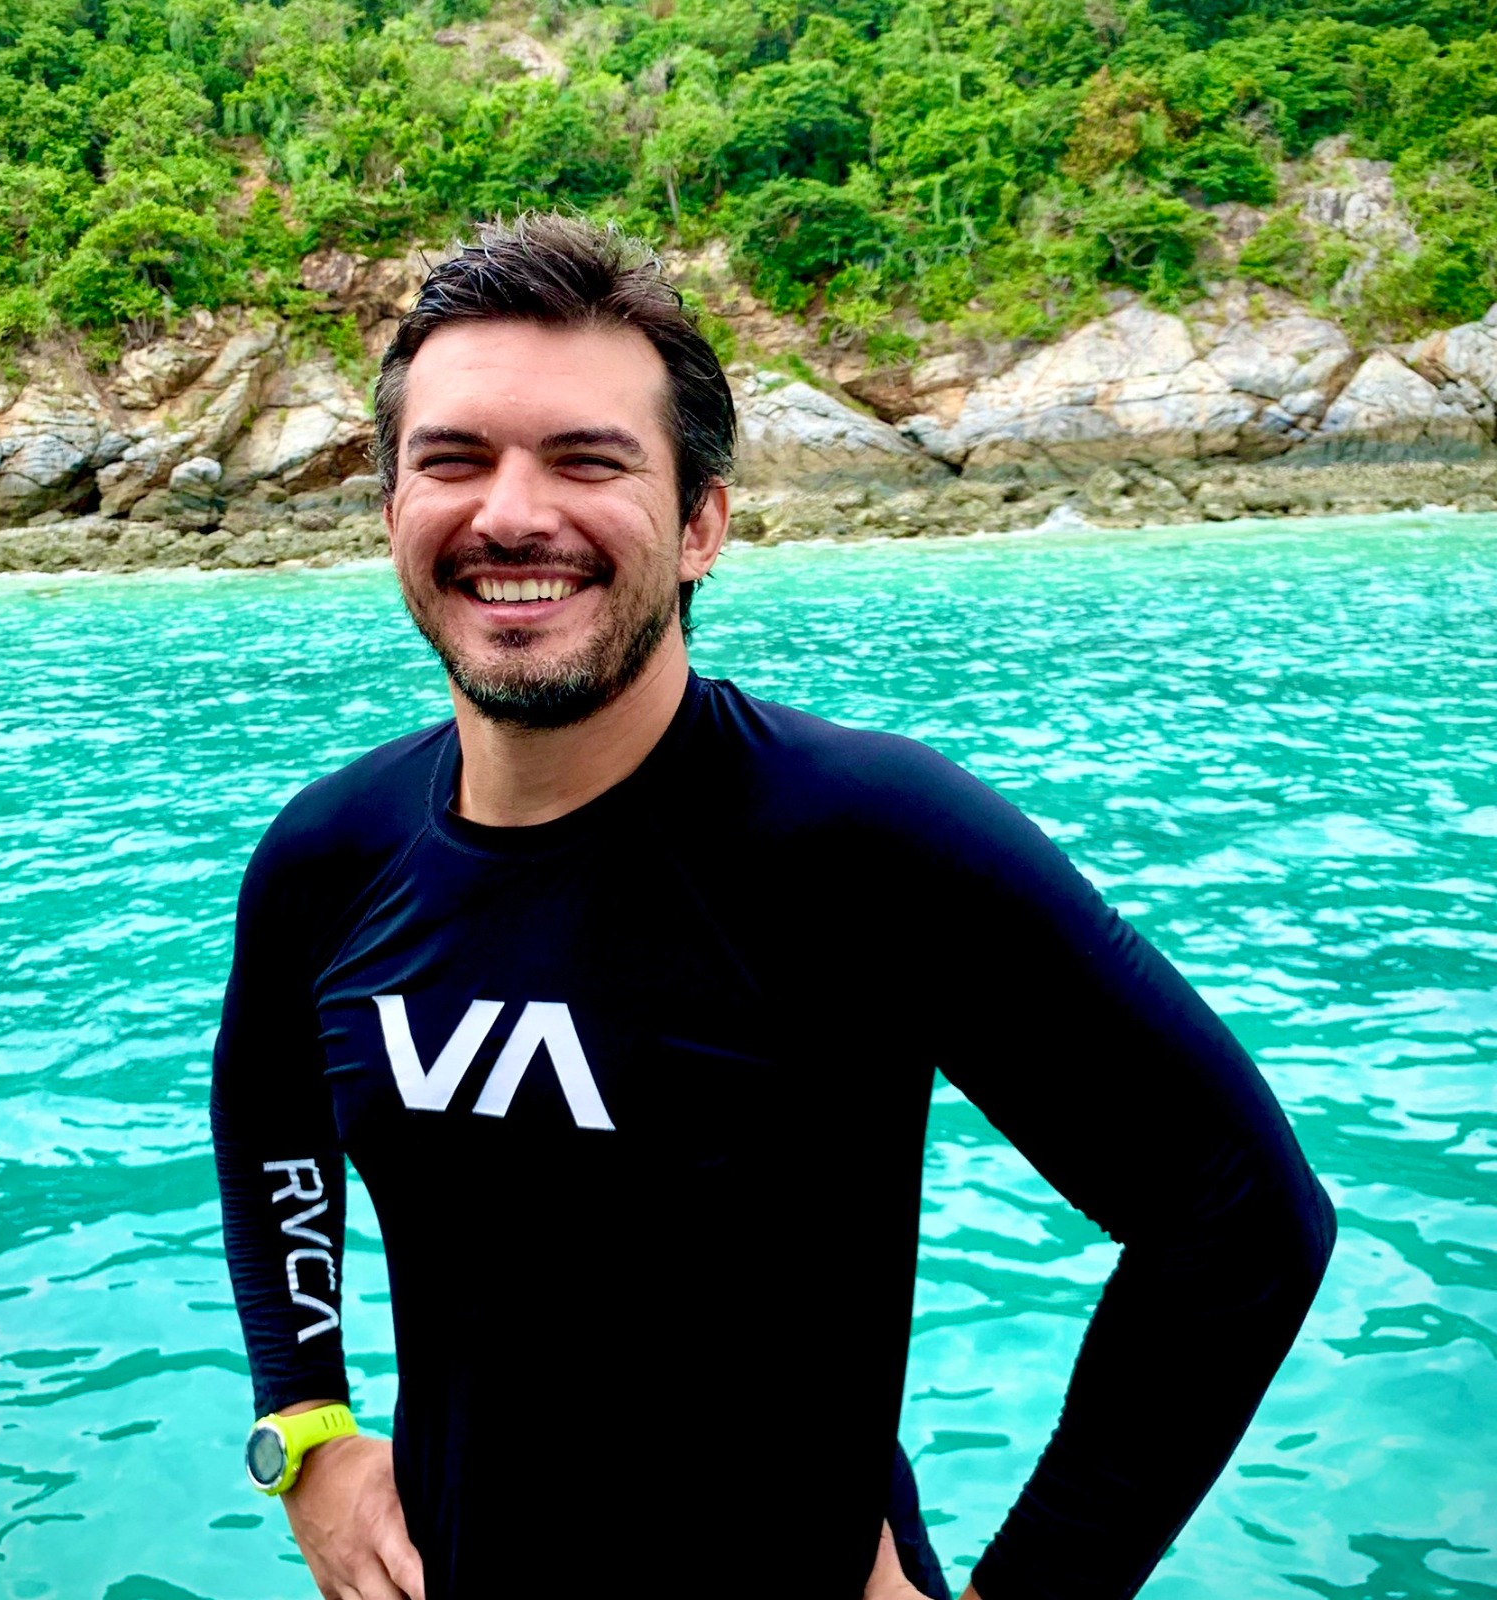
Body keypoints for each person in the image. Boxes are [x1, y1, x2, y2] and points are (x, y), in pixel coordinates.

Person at [210, 213, 1337, 1600]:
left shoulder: (867, 838)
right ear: (392, 509)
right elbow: (269, 1118)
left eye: (587, 460)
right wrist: (305, 1426)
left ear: (701, 524)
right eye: (453, 459)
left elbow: (1240, 1217)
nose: (511, 512)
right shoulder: (331, 854)